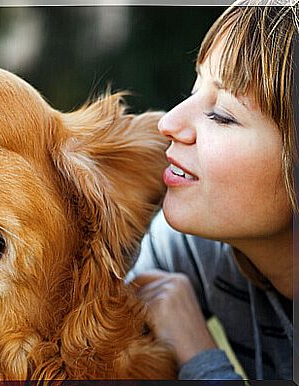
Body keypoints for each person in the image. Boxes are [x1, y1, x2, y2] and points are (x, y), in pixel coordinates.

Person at [126, 2, 297, 380]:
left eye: (222, 115)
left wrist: (200, 360)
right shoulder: (202, 248)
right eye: (194, 89)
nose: (169, 122)